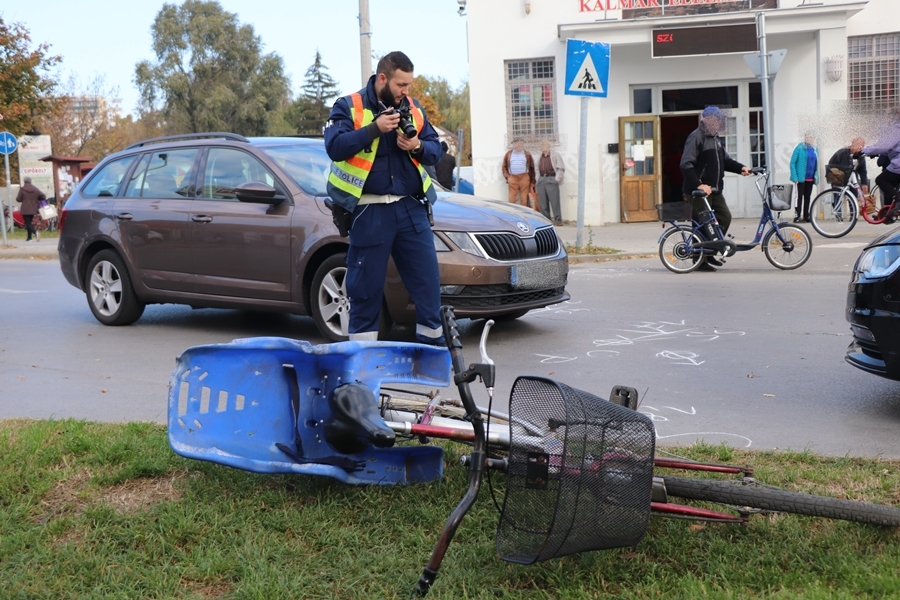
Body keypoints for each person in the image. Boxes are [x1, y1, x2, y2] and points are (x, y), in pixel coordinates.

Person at [324, 51, 443, 344]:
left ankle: (431, 371)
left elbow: (436, 149)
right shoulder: (349, 106)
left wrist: (416, 146)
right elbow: (335, 147)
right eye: (401, 85)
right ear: (382, 78)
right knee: (364, 293)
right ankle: (362, 377)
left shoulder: (413, 108)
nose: (406, 91)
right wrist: (374, 129)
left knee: (428, 290)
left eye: (409, 85)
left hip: (411, 210)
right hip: (370, 212)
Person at [680, 106, 751, 271]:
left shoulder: (716, 138)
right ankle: (700, 259)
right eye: (714, 119)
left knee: (724, 217)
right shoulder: (696, 137)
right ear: (705, 119)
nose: (717, 123)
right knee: (702, 224)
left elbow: (725, 161)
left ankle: (710, 251)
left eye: (718, 120)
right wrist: (699, 184)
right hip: (699, 192)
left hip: (715, 190)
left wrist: (741, 168)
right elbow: (686, 164)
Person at [863, 108, 900, 214]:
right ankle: (887, 214)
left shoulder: (895, 128)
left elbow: (882, 146)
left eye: (887, 116)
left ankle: (897, 201)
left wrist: (865, 150)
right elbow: (892, 147)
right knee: (890, 187)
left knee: (881, 180)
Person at [826, 137, 868, 218]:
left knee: (854, 193)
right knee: (837, 194)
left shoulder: (861, 156)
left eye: (861, 146)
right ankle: (838, 215)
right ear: (852, 143)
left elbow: (863, 170)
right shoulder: (841, 152)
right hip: (840, 176)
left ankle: (853, 214)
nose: (859, 147)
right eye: (857, 145)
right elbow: (831, 164)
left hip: (852, 177)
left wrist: (864, 183)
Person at [789, 133, 819, 223]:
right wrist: (794, 176)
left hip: (810, 178)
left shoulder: (815, 149)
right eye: (808, 137)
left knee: (807, 197)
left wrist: (817, 178)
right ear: (805, 137)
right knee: (799, 197)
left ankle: (806, 215)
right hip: (800, 178)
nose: (810, 139)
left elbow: (816, 164)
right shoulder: (799, 148)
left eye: (811, 137)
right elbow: (792, 163)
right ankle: (797, 216)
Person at [536, 140, 565, 224]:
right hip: (542, 179)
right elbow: (537, 168)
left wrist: (557, 179)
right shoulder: (540, 157)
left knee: (554, 201)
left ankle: (558, 220)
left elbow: (561, 167)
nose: (543, 147)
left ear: (549, 147)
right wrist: (538, 179)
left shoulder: (555, 155)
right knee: (543, 202)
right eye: (542, 146)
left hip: (551, 178)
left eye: (545, 146)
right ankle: (546, 220)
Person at [502, 137, 534, 206]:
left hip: (524, 177)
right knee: (511, 200)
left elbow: (532, 167)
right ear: (513, 144)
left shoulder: (527, 154)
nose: (519, 145)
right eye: (517, 143)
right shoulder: (508, 154)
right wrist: (508, 177)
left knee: (524, 199)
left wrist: (532, 181)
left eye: (521, 143)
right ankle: (512, 215)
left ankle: (523, 215)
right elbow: (504, 167)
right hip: (513, 178)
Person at [15, 176, 46, 242]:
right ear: (30, 181)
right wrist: (37, 199)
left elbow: (18, 199)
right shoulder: (35, 189)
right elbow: (43, 196)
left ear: (24, 182)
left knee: (28, 223)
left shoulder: (22, 189)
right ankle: (29, 238)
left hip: (25, 208)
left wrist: (23, 199)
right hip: (33, 208)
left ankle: (35, 233)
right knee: (29, 223)